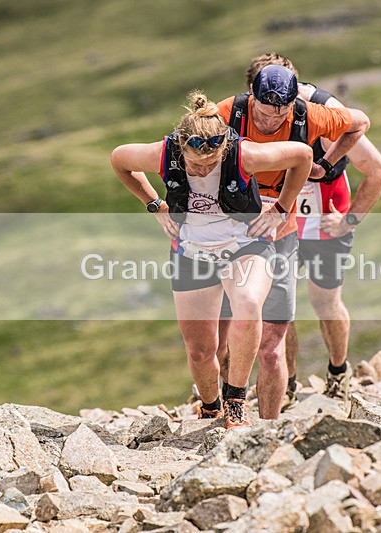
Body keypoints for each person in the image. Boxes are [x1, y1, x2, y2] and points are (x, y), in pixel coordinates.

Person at [111, 91, 312, 429]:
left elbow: (303, 156)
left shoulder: (244, 154)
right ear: (181, 149)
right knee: (201, 352)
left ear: (224, 150)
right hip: (192, 250)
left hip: (246, 244)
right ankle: (210, 406)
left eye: (211, 163)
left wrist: (281, 208)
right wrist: (154, 205)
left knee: (248, 304)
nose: (203, 169)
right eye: (194, 165)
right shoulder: (164, 153)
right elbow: (119, 159)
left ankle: (236, 399)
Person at [215, 64, 370, 419]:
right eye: (264, 113)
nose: (271, 121)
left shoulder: (309, 113)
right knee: (227, 329)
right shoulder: (228, 113)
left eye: (280, 113)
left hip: (284, 230)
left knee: (275, 339)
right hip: (232, 231)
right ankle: (224, 404)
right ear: (251, 97)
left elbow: (360, 123)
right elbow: (186, 143)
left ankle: (272, 422)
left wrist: (327, 164)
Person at [243, 53, 381, 412]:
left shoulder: (321, 112)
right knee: (279, 309)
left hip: (326, 221)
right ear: (253, 91)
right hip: (281, 224)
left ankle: (338, 373)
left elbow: (378, 172)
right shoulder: (249, 114)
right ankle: (287, 384)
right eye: (266, 103)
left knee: (325, 302)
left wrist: (349, 221)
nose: (274, 112)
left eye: (286, 102)